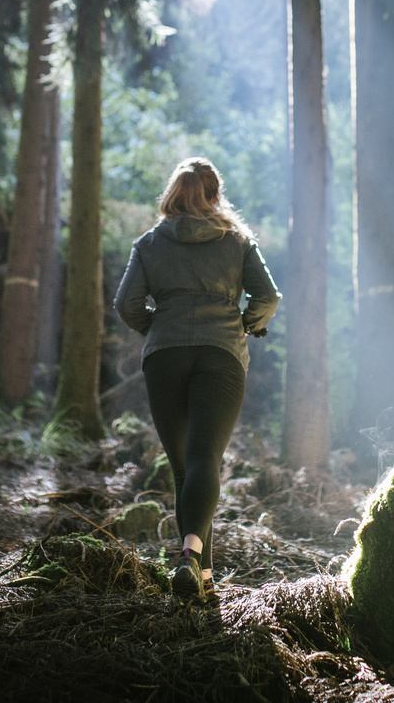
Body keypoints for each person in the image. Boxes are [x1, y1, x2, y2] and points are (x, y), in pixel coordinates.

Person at [113, 156, 280, 603]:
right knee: (206, 457)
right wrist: (247, 323)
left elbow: (126, 304)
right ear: (214, 194)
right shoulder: (238, 242)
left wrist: (158, 327)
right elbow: (268, 296)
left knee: (184, 465)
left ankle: (199, 571)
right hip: (221, 353)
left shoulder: (148, 243)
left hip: (165, 356)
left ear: (172, 194)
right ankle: (191, 557)